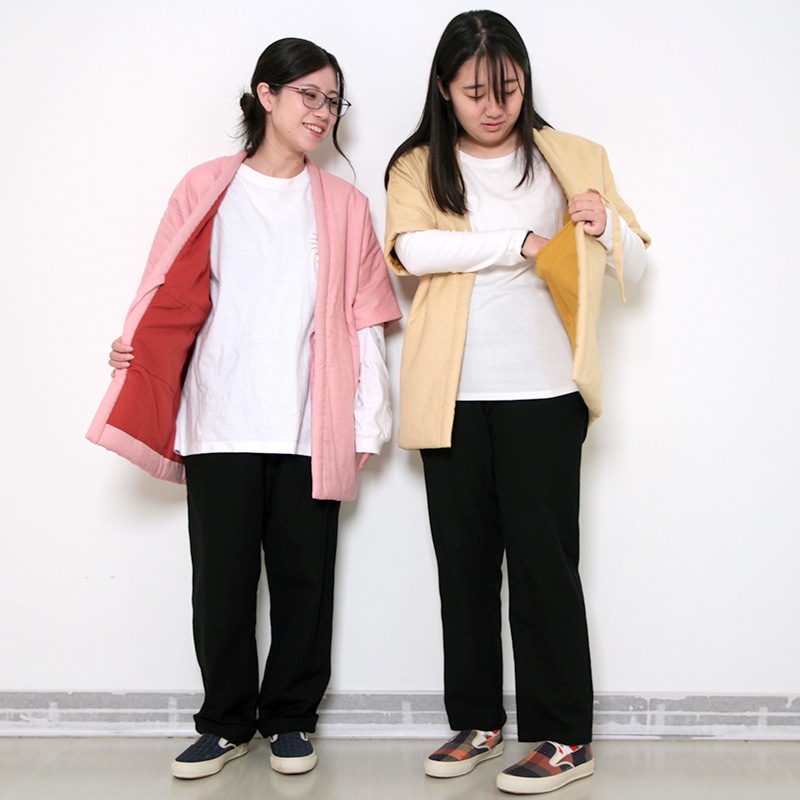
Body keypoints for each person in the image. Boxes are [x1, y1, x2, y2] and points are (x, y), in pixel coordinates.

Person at [87, 38, 400, 780]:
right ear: (267, 94)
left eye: (333, 101)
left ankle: (290, 719)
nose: (322, 112)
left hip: (309, 420)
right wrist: (134, 346)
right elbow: (163, 284)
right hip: (219, 415)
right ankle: (224, 723)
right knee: (221, 584)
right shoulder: (206, 186)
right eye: (309, 95)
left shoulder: (346, 205)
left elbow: (365, 320)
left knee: (304, 583)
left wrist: (369, 418)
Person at [384, 10, 649, 795]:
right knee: (464, 567)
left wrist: (605, 227)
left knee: (544, 566)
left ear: (525, 80)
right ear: (444, 89)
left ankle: (565, 738)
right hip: (452, 394)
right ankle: (478, 721)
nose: (493, 106)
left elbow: (632, 260)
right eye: (474, 92)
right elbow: (410, 250)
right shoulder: (418, 165)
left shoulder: (572, 156)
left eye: (507, 88)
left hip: (545, 391)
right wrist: (519, 244)